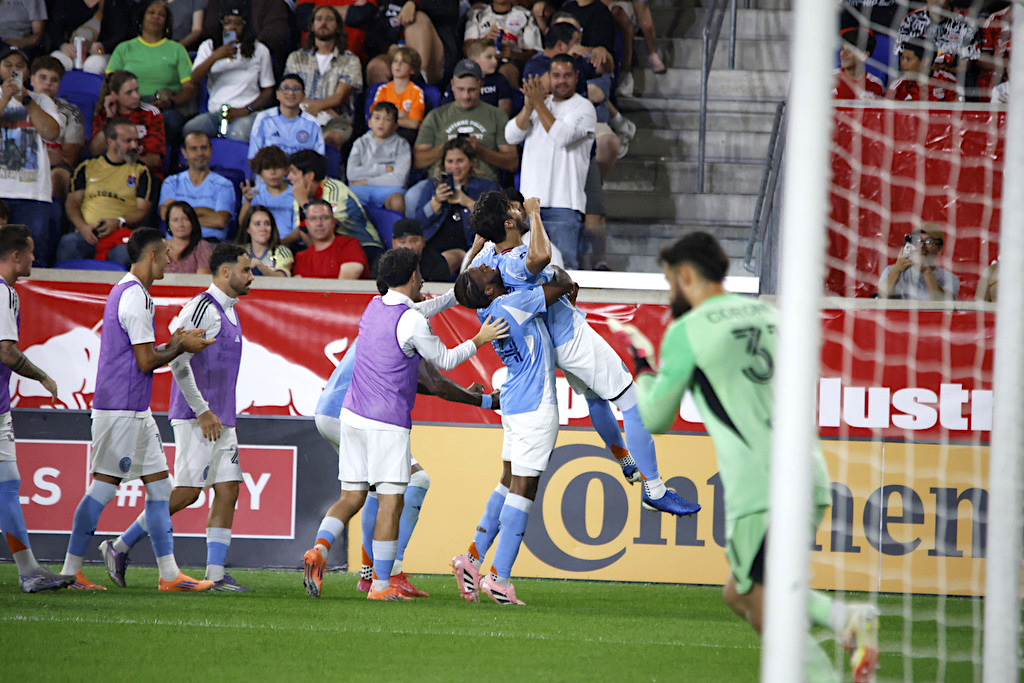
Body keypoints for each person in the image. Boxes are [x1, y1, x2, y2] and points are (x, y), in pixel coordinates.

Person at [630, 231, 879, 683]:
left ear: (686, 275)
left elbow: (656, 418)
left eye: (671, 283)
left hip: (761, 488)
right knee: (740, 595)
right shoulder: (771, 316)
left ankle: (844, 622)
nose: (671, 293)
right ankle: (840, 619)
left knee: (768, 601)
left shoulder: (689, 329)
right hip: (809, 473)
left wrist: (645, 370)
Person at [448, 191, 694, 601]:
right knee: (631, 399)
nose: (517, 210)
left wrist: (485, 244)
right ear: (508, 225)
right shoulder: (512, 263)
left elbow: (491, 268)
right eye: (511, 211)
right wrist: (536, 217)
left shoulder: (487, 267)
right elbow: (542, 263)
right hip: (567, 337)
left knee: (596, 401)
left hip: (541, 355)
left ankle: (624, 459)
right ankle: (654, 488)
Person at [301, 247, 508, 601]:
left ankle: (319, 548)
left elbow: (420, 310)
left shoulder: (375, 306)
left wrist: (459, 280)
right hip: (386, 423)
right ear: (412, 276)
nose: (424, 278)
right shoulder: (412, 321)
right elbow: (443, 359)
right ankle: (380, 586)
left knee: (351, 497)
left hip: (351, 417)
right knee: (390, 503)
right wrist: (479, 339)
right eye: (420, 273)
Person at [60, 227, 215, 591]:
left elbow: (143, 353)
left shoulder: (134, 293)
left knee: (161, 489)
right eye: (164, 254)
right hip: (120, 408)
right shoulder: (135, 297)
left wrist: (175, 343)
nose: (169, 259)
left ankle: (169, 575)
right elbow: (146, 361)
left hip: (135, 408)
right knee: (103, 488)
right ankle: (69, 572)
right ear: (151, 256)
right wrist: (181, 347)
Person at [101, 243, 254, 592]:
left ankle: (215, 575)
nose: (251, 277)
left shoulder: (230, 311)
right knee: (187, 494)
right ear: (226, 272)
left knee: (228, 489)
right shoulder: (202, 307)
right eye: (246, 270)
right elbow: (177, 358)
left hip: (222, 418)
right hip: (197, 417)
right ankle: (119, 546)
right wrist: (201, 411)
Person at [452, 259, 576, 604]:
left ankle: (472, 560)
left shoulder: (486, 312)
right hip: (535, 404)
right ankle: (499, 578)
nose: (486, 265)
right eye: (480, 272)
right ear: (489, 290)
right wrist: (561, 279)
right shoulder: (512, 303)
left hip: (513, 402)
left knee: (508, 481)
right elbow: (561, 286)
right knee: (523, 489)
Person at [0, 224, 75, 593]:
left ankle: (29, 570)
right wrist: (43, 377)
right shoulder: (3, 294)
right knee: (8, 487)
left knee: (8, 485)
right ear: (16, 256)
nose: (35, 257)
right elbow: (7, 351)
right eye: (30, 252)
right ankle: (28, 570)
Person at [506, 55, 595, 269]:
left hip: (565, 204)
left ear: (576, 77)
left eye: (567, 75)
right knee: (526, 267)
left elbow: (561, 136)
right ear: (549, 77)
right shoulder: (538, 105)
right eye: (556, 75)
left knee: (564, 270)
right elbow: (510, 136)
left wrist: (537, 103)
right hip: (530, 204)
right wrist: (529, 107)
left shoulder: (584, 108)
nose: (561, 81)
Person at [57, 117, 153, 267]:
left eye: (136, 140)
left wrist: (119, 222)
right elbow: (72, 203)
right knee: (68, 244)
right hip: (86, 232)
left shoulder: (141, 171)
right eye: (128, 141)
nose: (134, 145)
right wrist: (82, 227)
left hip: (120, 235)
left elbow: (142, 209)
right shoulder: (87, 166)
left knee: (123, 254)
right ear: (111, 142)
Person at [106, 1, 197, 152]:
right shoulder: (124, 48)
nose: (156, 17)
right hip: (129, 103)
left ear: (166, 22)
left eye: (161, 15)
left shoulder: (177, 50)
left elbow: (191, 89)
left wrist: (170, 103)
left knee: (170, 121)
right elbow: (110, 81)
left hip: (164, 105)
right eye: (151, 13)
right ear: (141, 18)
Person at [412, 58, 517, 190]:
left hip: (483, 185)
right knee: (411, 199)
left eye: (471, 90)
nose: (466, 96)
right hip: (439, 183)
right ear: (452, 85)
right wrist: (447, 149)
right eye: (461, 89)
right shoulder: (436, 116)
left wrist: (480, 150)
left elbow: (512, 162)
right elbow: (417, 161)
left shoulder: (497, 115)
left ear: (481, 86)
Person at [0, 46, 60, 267]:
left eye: (19, 66)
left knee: (31, 256)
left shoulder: (42, 101)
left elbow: (51, 132)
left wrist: (26, 100)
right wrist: (5, 98)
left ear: (27, 72)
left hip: (33, 191)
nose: (14, 70)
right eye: (8, 65)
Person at [183, 6, 276, 142]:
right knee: (190, 130)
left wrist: (246, 109)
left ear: (245, 26)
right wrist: (215, 56)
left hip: (246, 112)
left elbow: (268, 91)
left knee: (236, 134)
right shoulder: (209, 46)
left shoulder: (260, 49)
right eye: (227, 23)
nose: (232, 27)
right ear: (221, 25)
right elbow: (195, 79)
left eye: (237, 23)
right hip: (217, 113)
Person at [412, 137, 499, 277]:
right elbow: (418, 223)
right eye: (450, 161)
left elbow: (494, 222)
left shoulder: (485, 187)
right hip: (431, 247)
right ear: (443, 164)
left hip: (466, 248)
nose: (455, 167)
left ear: (471, 162)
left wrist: (467, 202)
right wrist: (436, 201)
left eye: (460, 161)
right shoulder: (433, 186)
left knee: (450, 259)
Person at [284, 5, 362, 151]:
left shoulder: (350, 60)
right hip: (300, 114)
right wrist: (320, 108)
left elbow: (339, 97)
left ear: (338, 27)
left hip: (336, 120)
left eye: (329, 19)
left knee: (330, 139)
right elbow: (289, 92)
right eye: (319, 19)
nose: (323, 23)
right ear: (312, 26)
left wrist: (318, 108)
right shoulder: (296, 57)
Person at [286, 149, 381, 261]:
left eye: (294, 172)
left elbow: (327, 228)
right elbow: (305, 231)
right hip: (331, 248)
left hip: (363, 246)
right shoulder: (301, 195)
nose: (289, 177)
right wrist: (278, 243)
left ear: (310, 176)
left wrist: (303, 203)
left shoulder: (334, 189)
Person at [344, 0, 446, 85]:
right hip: (391, 52)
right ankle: (385, 107)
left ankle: (418, 84)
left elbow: (448, 9)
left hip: (432, 59)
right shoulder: (379, 5)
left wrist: (413, 3)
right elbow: (373, 36)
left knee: (418, 19)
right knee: (376, 66)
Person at [158, 131, 235, 241]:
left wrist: (180, 214)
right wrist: (206, 211)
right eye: (194, 149)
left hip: (209, 244)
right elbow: (166, 215)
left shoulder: (224, 184)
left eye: (204, 148)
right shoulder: (171, 182)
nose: (200, 153)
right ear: (184, 153)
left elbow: (220, 220)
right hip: (175, 245)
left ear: (211, 150)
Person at [90, 70, 166, 180]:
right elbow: (96, 151)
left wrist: (118, 161)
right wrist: (109, 119)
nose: (136, 96)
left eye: (137, 90)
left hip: (143, 174)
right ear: (114, 95)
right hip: (109, 174)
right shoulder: (103, 115)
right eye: (129, 92)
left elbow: (153, 159)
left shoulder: (151, 114)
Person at [29, 56, 84, 203]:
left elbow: (68, 158)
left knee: (60, 174)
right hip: (19, 165)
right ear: (32, 79)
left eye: (54, 80)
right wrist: (48, 153)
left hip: (53, 168)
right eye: (43, 77)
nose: (48, 83)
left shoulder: (72, 112)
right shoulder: (16, 106)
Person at [346, 101, 410, 215]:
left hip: (388, 190)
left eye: (387, 119)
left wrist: (365, 181)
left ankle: (396, 233)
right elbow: (351, 174)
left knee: (397, 202)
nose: (381, 123)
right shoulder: (360, 143)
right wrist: (383, 169)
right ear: (370, 122)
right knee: (345, 200)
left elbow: (399, 180)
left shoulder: (402, 145)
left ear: (395, 126)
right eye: (377, 118)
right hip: (361, 190)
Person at [463, 0, 542, 87]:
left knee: (507, 70)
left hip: (511, 62)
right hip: (482, 63)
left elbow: (535, 53)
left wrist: (513, 54)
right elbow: (467, 49)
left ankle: (515, 99)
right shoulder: (478, 14)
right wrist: (485, 40)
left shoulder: (524, 15)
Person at [248, 73, 325, 159]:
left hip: (300, 171)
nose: (291, 93)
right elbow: (254, 156)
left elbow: (319, 160)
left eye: (296, 89)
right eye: (285, 88)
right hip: (272, 170)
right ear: (277, 94)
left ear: (303, 95)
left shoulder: (312, 123)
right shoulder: (264, 118)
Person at [878, 223, 960, 301]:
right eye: (917, 240)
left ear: (940, 249)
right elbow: (880, 299)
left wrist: (926, 271)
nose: (921, 246)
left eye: (929, 242)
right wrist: (897, 270)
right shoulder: (890, 271)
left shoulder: (950, 279)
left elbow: (944, 308)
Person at [292, 198, 368, 279]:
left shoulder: (349, 245)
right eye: (313, 218)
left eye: (325, 217)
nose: (319, 223)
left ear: (333, 222)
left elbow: (345, 285)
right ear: (307, 224)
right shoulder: (301, 257)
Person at [369, 46, 425, 146]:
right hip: (382, 130)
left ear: (412, 70)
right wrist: (402, 114)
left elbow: (414, 124)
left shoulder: (416, 92)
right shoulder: (383, 89)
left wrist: (389, 118)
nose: (398, 65)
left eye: (404, 62)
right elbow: (375, 116)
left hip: (404, 134)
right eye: (395, 61)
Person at [450, 39, 513, 117]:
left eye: (496, 57)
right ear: (474, 60)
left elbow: (504, 113)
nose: (495, 61)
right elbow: (448, 111)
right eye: (489, 57)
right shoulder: (460, 81)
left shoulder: (500, 80)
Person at [240, 145, 294, 234]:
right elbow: (243, 224)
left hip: (290, 246)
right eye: (267, 168)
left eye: (277, 167)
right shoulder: (252, 194)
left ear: (286, 170)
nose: (273, 172)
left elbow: (298, 232)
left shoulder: (295, 193)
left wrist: (275, 245)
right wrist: (247, 201)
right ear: (259, 173)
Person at [886, 42, 961, 102]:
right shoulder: (898, 87)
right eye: (902, 58)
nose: (902, 63)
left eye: (908, 59)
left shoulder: (949, 83)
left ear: (925, 61)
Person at [235, 205, 292, 276]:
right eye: (257, 224)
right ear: (248, 229)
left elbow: (283, 278)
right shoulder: (238, 252)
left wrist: (260, 266)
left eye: (267, 224)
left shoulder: (281, 251)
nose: (263, 228)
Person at [833, 27, 885, 100]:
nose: (843, 54)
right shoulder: (830, 80)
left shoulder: (876, 84)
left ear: (864, 55)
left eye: (849, 50)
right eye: (842, 49)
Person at [391, 218, 449, 282]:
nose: (409, 247)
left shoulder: (438, 263)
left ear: (423, 241)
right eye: (402, 242)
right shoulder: (386, 264)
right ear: (393, 243)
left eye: (414, 241)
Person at [164, 200, 213, 274]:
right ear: (168, 224)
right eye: (175, 220)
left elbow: (202, 279)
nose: (180, 224)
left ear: (193, 222)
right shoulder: (159, 247)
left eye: (185, 219)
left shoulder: (202, 246)